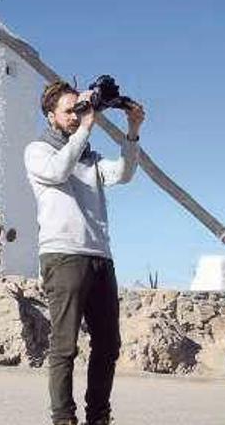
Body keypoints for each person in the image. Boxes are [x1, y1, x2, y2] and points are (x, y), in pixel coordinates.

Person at [24, 80, 145, 425]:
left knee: (108, 345)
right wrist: (87, 127)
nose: (77, 117)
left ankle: (99, 418)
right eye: (69, 111)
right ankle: (63, 419)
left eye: (79, 109)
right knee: (64, 347)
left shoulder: (88, 156)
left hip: (99, 256)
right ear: (51, 116)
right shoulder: (37, 151)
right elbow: (59, 170)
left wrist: (132, 131)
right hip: (62, 256)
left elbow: (123, 174)